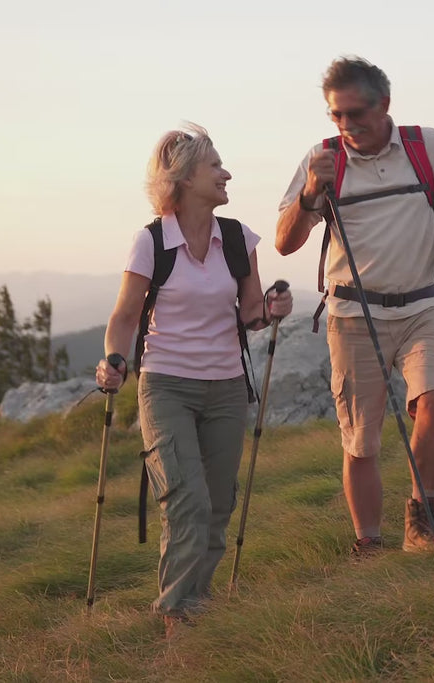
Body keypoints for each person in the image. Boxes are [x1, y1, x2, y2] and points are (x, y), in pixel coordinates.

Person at [274, 57, 434, 556]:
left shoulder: (425, 145)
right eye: (337, 115)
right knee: (361, 442)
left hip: (423, 306)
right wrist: (312, 191)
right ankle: (369, 546)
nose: (347, 125)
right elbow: (285, 242)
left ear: (385, 105)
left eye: (357, 113)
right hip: (353, 316)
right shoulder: (323, 157)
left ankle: (423, 511)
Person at [95, 123, 293, 633]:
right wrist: (112, 360)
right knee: (187, 501)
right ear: (183, 179)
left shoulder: (236, 238)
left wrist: (269, 309)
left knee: (217, 508)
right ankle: (177, 617)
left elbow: (249, 311)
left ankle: (195, 609)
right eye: (215, 166)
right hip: (165, 387)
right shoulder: (152, 242)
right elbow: (124, 317)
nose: (226, 174)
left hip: (227, 387)